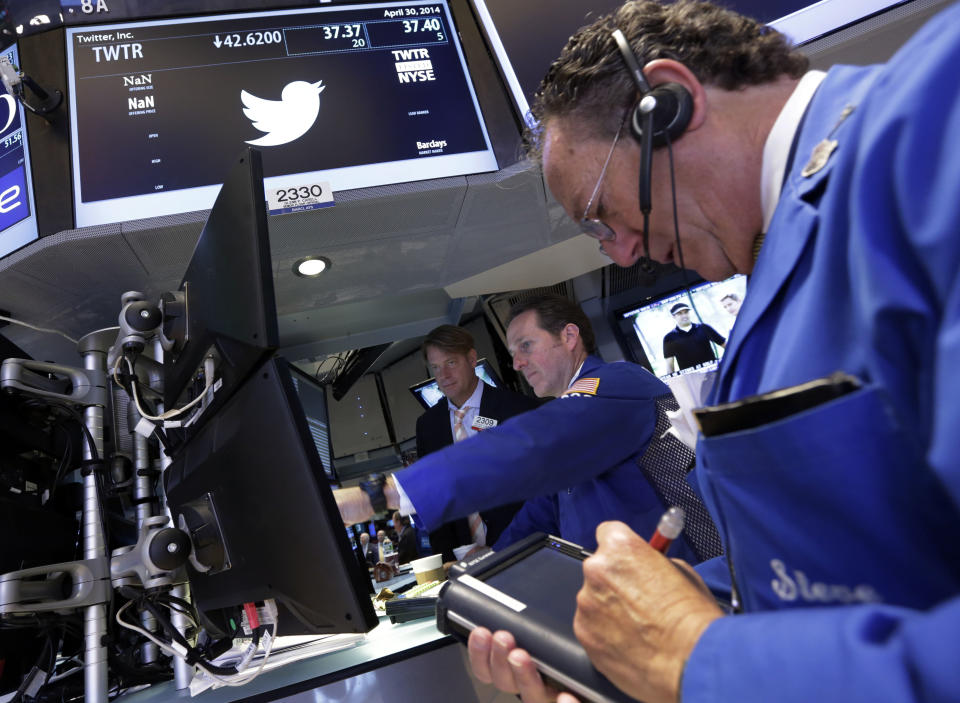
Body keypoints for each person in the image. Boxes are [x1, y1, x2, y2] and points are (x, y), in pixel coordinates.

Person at [466, 2, 960, 702]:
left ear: (668, 104)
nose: (625, 253)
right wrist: (650, 630)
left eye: (604, 215)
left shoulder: (937, 112)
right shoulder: (771, 271)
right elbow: (838, 569)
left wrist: (698, 660)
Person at [336, 294, 721, 562]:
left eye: (526, 346)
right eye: (512, 353)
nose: (517, 364)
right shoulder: (576, 410)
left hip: (684, 586)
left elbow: (534, 446)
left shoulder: (617, 384)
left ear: (569, 337)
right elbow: (543, 510)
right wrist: (490, 563)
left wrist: (380, 495)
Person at [414, 325, 539, 562]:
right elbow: (433, 498)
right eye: (436, 367)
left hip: (523, 550)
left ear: (472, 359)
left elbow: (538, 489)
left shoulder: (517, 410)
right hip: (464, 560)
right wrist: (447, 556)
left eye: (451, 363)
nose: (443, 376)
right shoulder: (428, 426)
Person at [661, 301, 724, 372]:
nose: (684, 315)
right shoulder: (669, 338)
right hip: (690, 378)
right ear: (673, 316)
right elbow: (670, 365)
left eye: (686, 312)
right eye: (679, 313)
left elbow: (725, 345)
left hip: (714, 372)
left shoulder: (704, 328)